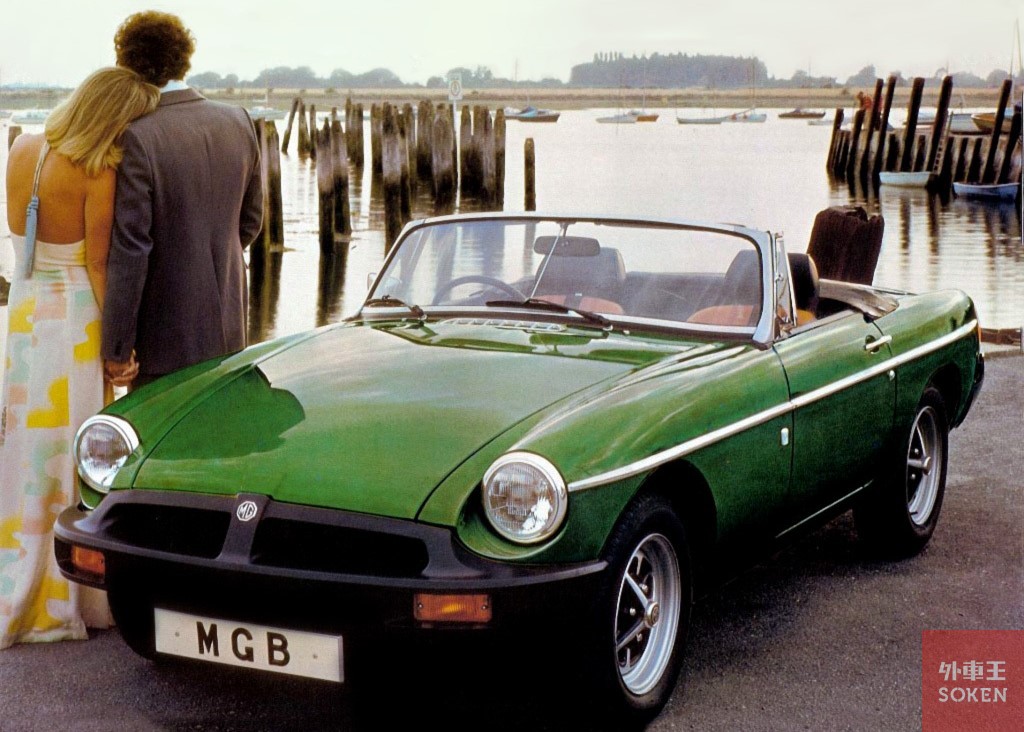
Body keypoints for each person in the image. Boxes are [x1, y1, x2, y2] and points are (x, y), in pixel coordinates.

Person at [0, 67, 159, 649]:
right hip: (72, 317)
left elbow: (20, 235)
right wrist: (118, 349)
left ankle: (18, 563)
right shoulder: (98, 168)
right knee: (74, 443)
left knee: (25, 443)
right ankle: (67, 587)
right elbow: (96, 263)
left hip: (25, 311)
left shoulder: (21, 148)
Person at [102, 11, 264, 389]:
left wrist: (117, 347)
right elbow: (251, 220)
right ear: (183, 58)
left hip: (163, 337)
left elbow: (132, 250)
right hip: (230, 326)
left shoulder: (137, 136)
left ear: (128, 63)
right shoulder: (239, 120)